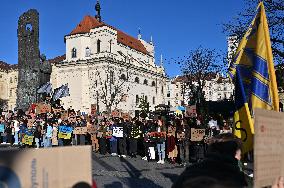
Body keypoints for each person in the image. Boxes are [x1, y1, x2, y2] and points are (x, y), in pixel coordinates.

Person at [172, 133, 247, 188]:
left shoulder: (189, 171)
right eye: (240, 154)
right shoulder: (238, 179)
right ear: (235, 153)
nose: (240, 157)